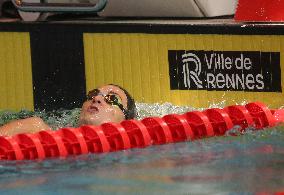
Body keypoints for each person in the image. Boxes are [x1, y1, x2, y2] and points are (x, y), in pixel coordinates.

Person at [0, 84, 136, 136]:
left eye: (112, 99)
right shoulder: (36, 127)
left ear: (126, 119)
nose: (96, 99)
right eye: (93, 94)